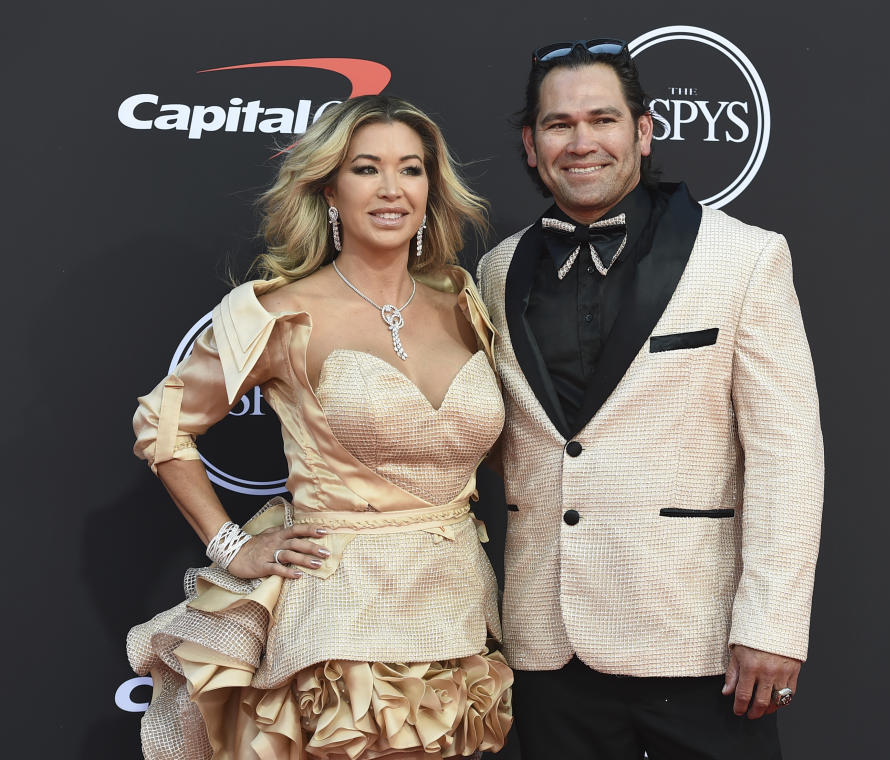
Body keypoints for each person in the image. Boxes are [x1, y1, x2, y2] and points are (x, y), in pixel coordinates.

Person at [127, 95, 513, 760]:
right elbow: (162, 424)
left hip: (459, 613)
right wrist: (228, 546)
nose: (392, 189)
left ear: (431, 186)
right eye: (368, 169)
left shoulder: (465, 302)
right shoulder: (281, 314)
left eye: (411, 169)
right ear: (331, 189)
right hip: (340, 618)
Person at [476, 40, 824, 759]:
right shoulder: (497, 268)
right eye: (558, 124)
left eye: (602, 119)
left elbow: (788, 457)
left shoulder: (746, 258)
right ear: (531, 144)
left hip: (698, 643)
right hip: (548, 644)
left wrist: (773, 626)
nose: (581, 142)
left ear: (643, 131)